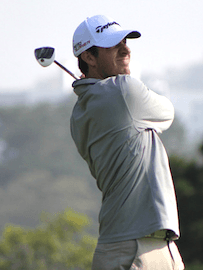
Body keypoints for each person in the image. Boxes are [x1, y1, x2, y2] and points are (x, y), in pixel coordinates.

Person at [70, 15, 185, 270]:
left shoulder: (79, 113)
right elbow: (167, 112)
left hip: (147, 245)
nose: (126, 48)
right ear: (88, 57)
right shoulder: (123, 90)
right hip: (131, 250)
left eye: (124, 41)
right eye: (113, 45)